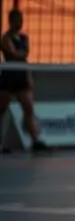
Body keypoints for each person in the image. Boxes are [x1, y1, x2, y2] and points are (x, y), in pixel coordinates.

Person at [0, 8, 49, 152]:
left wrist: (28, 76)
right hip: (8, 76)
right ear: (10, 21)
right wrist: (18, 54)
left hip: (21, 76)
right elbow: (14, 54)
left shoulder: (23, 38)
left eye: (21, 20)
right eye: (17, 20)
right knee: (1, 110)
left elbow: (24, 54)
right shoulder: (5, 37)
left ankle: (35, 140)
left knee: (28, 108)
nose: (20, 23)